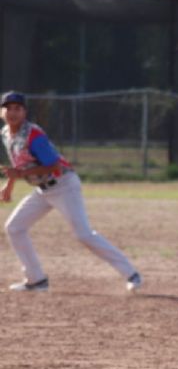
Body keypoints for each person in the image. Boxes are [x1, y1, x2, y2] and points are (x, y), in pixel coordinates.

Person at [1, 91, 142, 293]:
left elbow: (52, 165)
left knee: (83, 234)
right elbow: (19, 163)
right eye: (8, 108)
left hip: (63, 184)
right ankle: (36, 280)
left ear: (25, 112)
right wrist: (9, 185)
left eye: (18, 108)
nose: (12, 112)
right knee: (14, 227)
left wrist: (20, 174)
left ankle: (132, 274)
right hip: (43, 190)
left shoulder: (33, 135)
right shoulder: (6, 133)